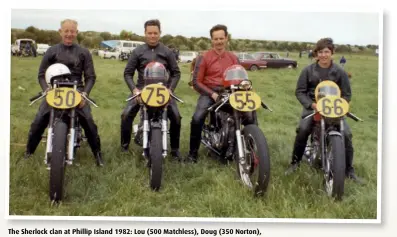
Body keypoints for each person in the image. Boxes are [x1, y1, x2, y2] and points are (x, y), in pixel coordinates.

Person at [24, 19, 103, 166]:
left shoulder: (84, 52)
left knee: (89, 123)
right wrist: (46, 90)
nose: (69, 34)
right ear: (60, 32)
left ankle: (98, 155)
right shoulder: (51, 51)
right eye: (66, 31)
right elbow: (41, 75)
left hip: (77, 92)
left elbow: (91, 77)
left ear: (76, 32)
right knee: (38, 121)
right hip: (54, 92)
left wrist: (85, 94)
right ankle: (29, 152)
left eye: (72, 31)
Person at [284, 37, 363, 184]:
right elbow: (300, 91)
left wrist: (342, 105)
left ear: (331, 53)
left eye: (326, 52)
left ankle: (349, 170)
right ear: (316, 53)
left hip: (334, 108)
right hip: (313, 107)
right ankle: (295, 163)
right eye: (320, 52)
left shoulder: (340, 71)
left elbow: (347, 94)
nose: (323, 55)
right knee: (303, 129)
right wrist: (311, 105)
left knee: (346, 133)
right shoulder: (307, 70)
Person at [185, 24, 257, 163]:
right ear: (211, 40)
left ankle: (251, 148)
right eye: (216, 39)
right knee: (197, 118)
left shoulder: (233, 58)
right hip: (209, 92)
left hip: (230, 91)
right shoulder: (203, 57)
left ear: (226, 38)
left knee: (250, 114)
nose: (219, 41)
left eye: (221, 38)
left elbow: (241, 76)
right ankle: (192, 155)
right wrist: (212, 94)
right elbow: (196, 82)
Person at [121, 19, 182, 161]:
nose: (152, 36)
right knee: (126, 114)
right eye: (150, 33)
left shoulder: (167, 52)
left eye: (155, 33)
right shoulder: (137, 51)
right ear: (145, 33)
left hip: (163, 91)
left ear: (160, 33)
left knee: (177, 117)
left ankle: (175, 149)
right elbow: (128, 73)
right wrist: (135, 90)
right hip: (142, 90)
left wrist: (170, 89)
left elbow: (176, 72)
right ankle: (124, 146)